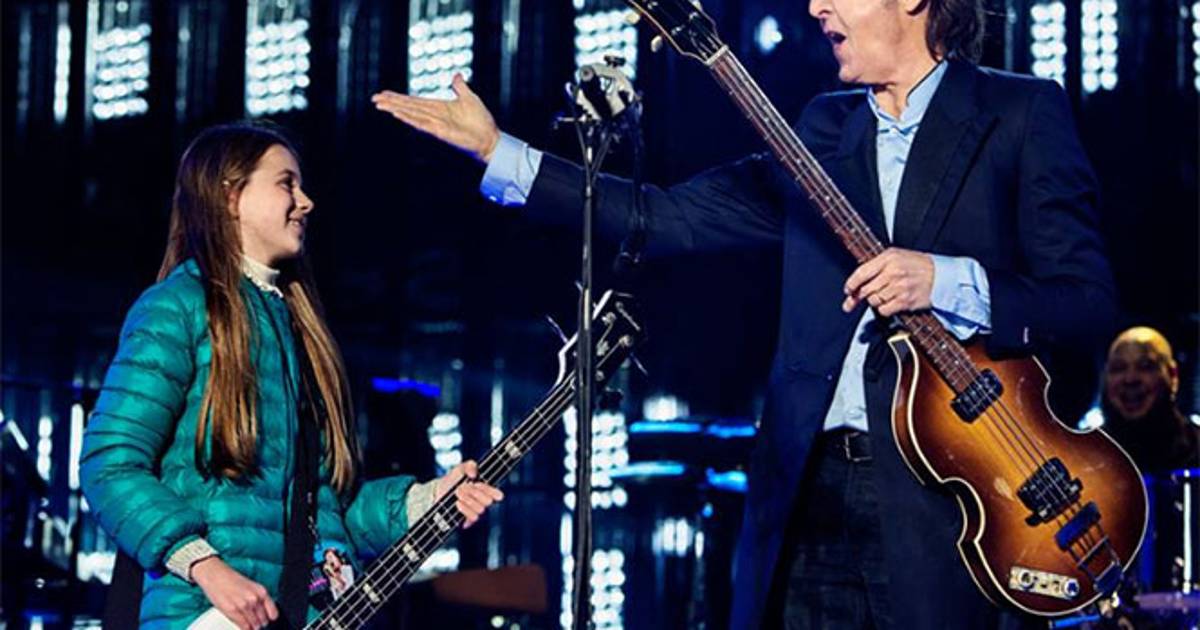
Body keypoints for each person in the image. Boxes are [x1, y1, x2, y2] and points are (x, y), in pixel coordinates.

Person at [371, 0, 1116, 626]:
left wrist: (945, 280)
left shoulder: (1018, 113)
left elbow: (1084, 304)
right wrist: (497, 150)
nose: (816, 7)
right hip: (804, 497)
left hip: (950, 507)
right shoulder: (822, 130)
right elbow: (666, 217)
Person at [79, 122, 504, 630]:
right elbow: (110, 465)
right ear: (231, 196)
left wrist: (426, 501)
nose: (306, 202)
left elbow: (323, 514)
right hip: (202, 615)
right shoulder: (176, 307)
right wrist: (205, 566)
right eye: (287, 183)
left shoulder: (298, 328)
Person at [1102, 326, 1199, 474]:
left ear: (1172, 375)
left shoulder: (1195, 446)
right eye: (1119, 368)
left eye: (1145, 366)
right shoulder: (1084, 456)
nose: (1130, 379)